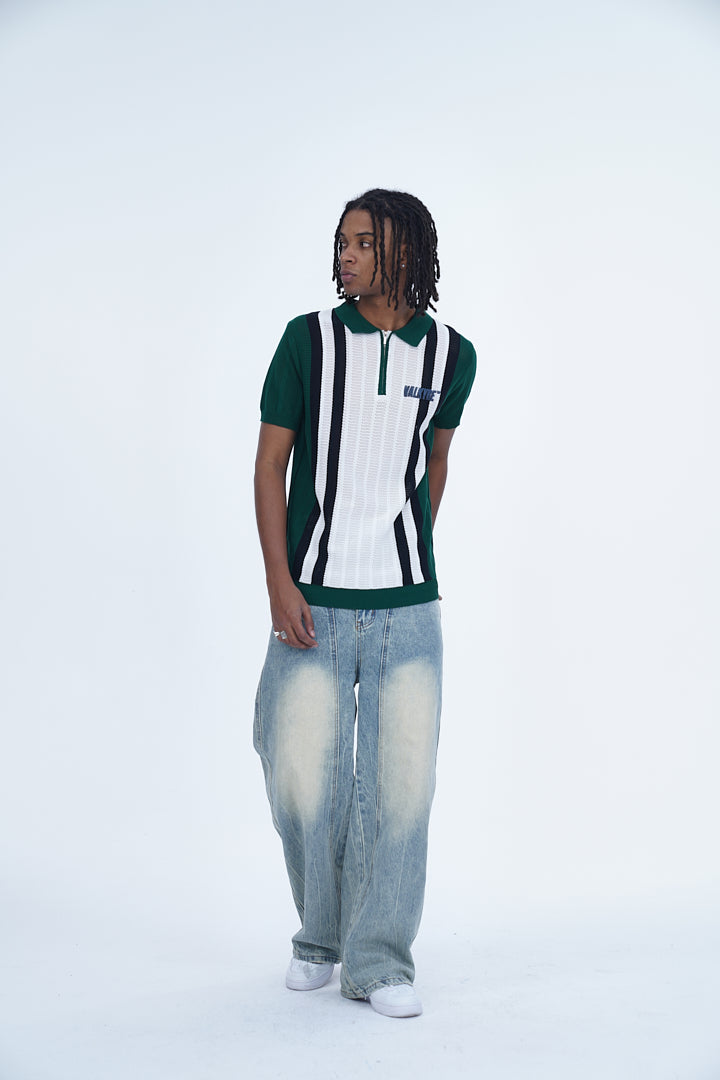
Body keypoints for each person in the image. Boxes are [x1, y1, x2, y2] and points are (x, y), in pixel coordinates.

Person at [253, 188, 476, 1018]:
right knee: (299, 776)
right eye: (341, 242)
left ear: (405, 252)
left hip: (408, 608)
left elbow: (435, 464)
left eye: (363, 242)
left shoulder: (453, 355)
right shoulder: (306, 340)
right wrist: (280, 581)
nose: (345, 256)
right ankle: (321, 934)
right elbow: (268, 466)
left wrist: (403, 546)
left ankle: (379, 960)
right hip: (312, 600)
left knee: (400, 789)